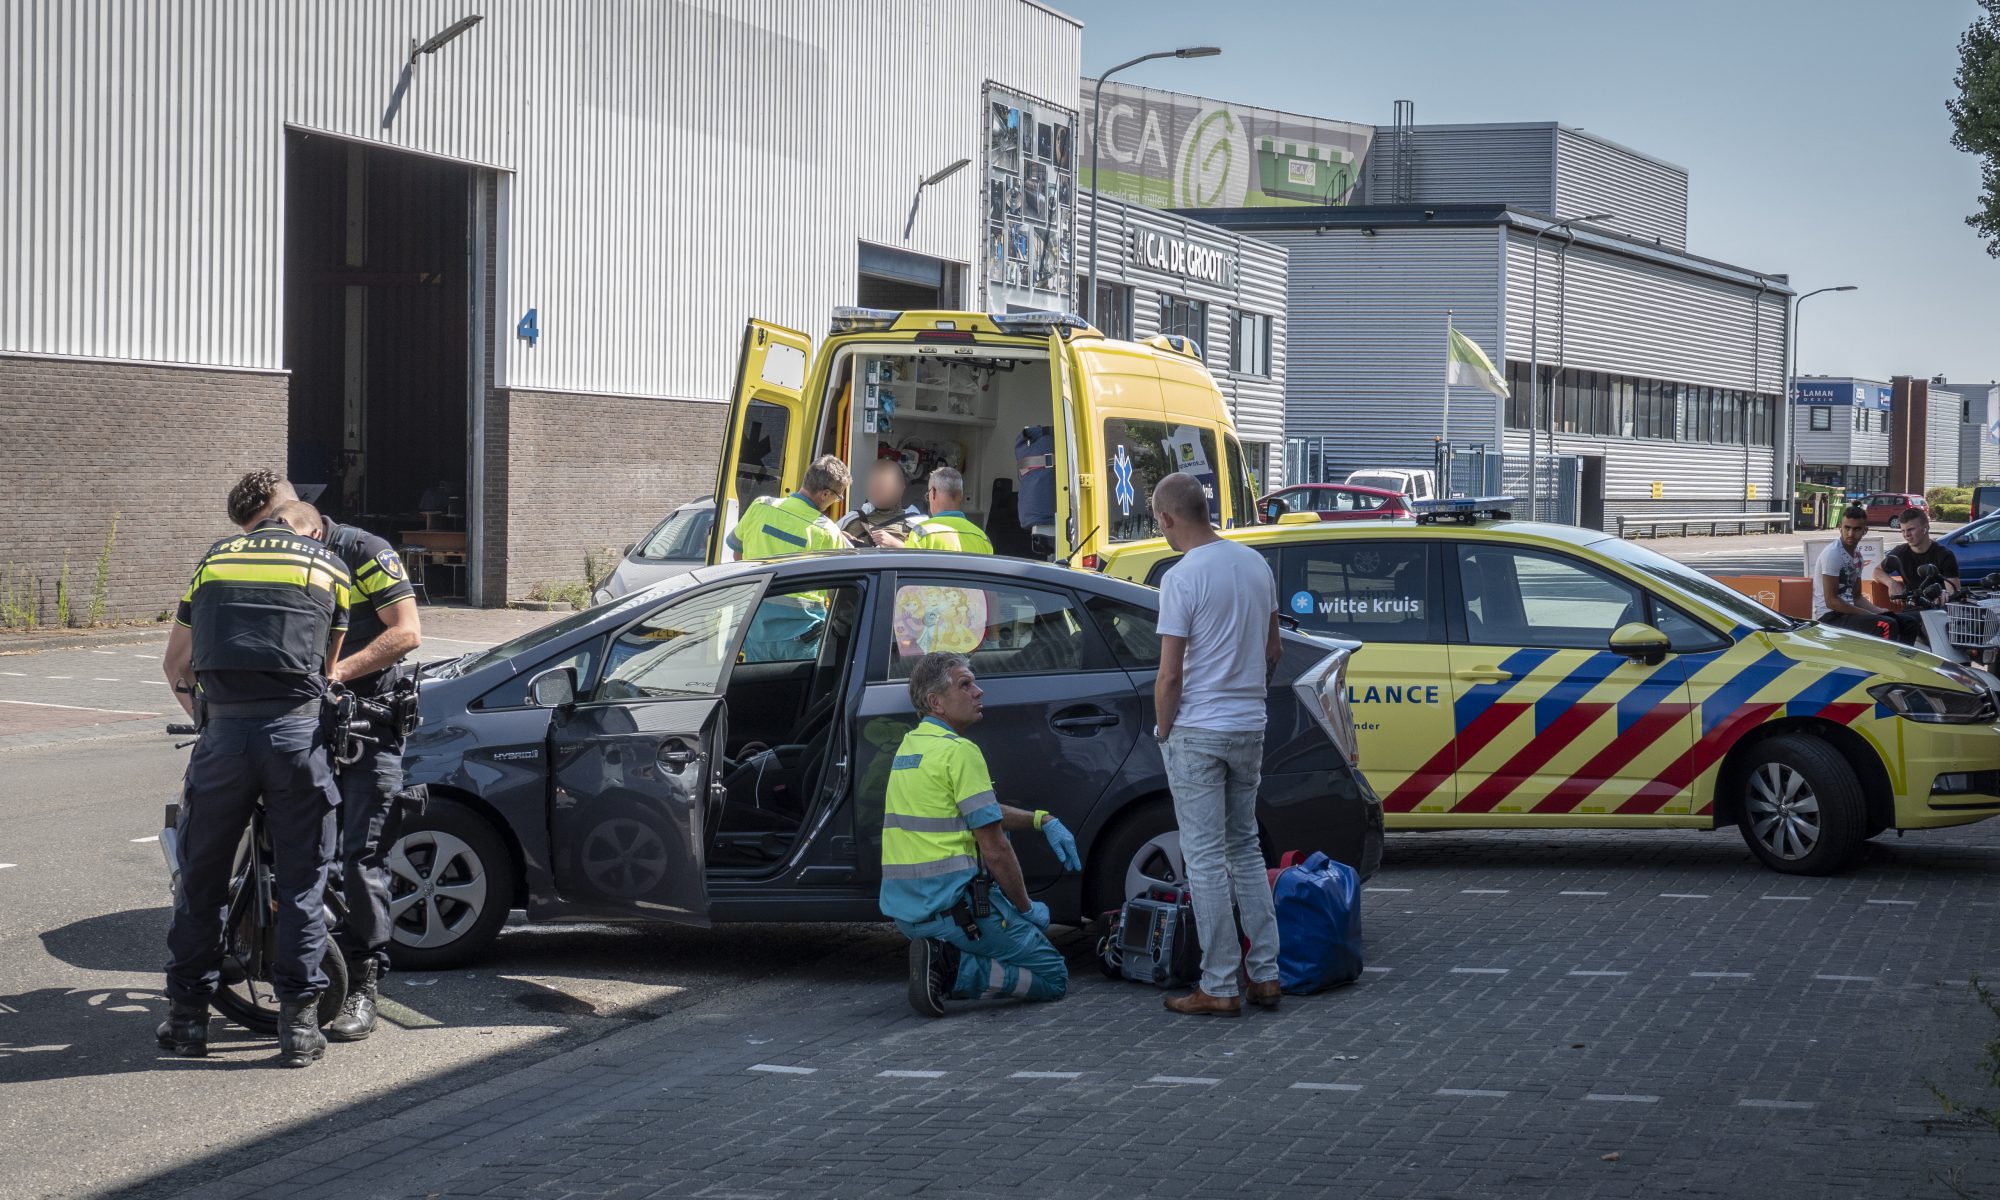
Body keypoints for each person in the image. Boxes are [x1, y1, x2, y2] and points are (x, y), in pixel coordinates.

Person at [226, 470, 421, 1042]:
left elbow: (406, 632)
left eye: (266, 527)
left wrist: (332, 675)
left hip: (365, 724)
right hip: (299, 726)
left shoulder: (361, 550)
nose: (263, 542)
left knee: (358, 859)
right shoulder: (267, 560)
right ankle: (282, 962)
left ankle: (364, 980)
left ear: (291, 508)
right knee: (290, 850)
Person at [159, 500, 352, 1067]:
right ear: (310, 528)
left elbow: (177, 666)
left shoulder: (213, 560)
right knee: (302, 883)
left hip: (224, 737)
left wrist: (210, 717)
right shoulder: (326, 566)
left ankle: (188, 1020)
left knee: (202, 879)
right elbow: (328, 669)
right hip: (295, 741)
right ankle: (298, 1027)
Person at [882, 652, 1081, 1017]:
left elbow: (976, 812)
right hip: (957, 913)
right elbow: (995, 848)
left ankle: (942, 955)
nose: (979, 691)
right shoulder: (960, 752)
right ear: (936, 702)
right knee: (1053, 977)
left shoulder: (910, 748)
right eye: (965, 684)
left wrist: (1041, 820)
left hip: (911, 916)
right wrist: (1025, 908)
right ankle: (950, 968)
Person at [1150, 472, 1283, 1017]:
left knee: (1203, 859)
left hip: (1198, 730)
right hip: (1249, 723)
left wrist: (1163, 729)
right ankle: (1268, 975)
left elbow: (1170, 677)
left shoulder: (1182, 578)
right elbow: (1273, 651)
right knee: (1245, 849)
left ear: (1166, 518)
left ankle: (1220, 983)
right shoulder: (1255, 564)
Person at [1816, 504, 1912, 642]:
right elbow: (1831, 601)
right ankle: (1882, 663)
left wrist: (1878, 610)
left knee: (1908, 623)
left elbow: (1857, 597)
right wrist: (1869, 614)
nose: (1850, 533)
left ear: (1865, 531)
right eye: (1847, 528)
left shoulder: (1858, 558)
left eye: (1856, 529)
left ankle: (1905, 662)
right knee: (1886, 625)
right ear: (1840, 528)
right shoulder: (1833, 554)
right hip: (1830, 616)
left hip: (1849, 613)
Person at [725, 455, 850, 560]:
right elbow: (833, 585)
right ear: (825, 494)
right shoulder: (829, 532)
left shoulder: (761, 505)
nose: (836, 501)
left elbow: (737, 555)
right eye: (838, 497)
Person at [878, 467, 993, 554]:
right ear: (961, 495)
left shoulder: (922, 532)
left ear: (933, 493)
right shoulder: (982, 538)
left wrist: (894, 544)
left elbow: (911, 568)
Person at [1874, 506, 1960, 609]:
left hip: (1938, 610)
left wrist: (1945, 594)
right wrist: (1891, 583)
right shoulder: (1900, 552)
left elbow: (1953, 590)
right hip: (1912, 609)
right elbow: (1877, 571)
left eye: (1911, 529)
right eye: (1903, 531)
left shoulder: (1944, 554)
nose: (1906, 535)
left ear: (1926, 528)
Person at [837, 459, 923, 548]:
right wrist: (839, 539)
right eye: (873, 483)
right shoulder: (852, 518)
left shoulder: (918, 524)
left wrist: (896, 545)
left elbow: (926, 559)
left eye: (884, 483)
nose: (877, 489)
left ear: (900, 487)